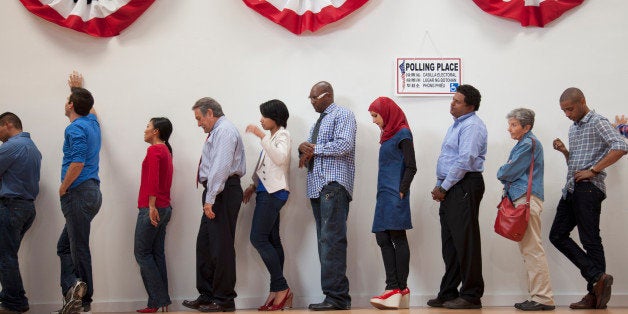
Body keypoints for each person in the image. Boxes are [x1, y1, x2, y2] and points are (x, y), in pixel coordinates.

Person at [550, 88, 628, 310]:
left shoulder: (597, 121)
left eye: (570, 109)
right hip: (572, 188)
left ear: (582, 102)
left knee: (590, 240)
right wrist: (566, 152)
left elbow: (622, 146)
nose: (567, 114)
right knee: (557, 235)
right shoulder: (573, 128)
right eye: (564, 110)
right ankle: (597, 279)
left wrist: (593, 170)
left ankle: (594, 294)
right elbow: (575, 162)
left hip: (589, 188)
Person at [183, 97, 246, 313]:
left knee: (222, 247)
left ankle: (224, 300)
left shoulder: (225, 131)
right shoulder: (218, 131)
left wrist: (210, 199)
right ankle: (207, 294)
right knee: (206, 245)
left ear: (210, 113)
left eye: (199, 118)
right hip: (217, 191)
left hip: (222, 192)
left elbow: (220, 166)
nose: (198, 123)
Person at [298, 81, 356, 311]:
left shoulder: (343, 114)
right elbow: (314, 149)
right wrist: (303, 151)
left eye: (314, 97)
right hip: (317, 187)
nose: (311, 101)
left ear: (328, 95)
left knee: (332, 241)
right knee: (325, 241)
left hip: (334, 185)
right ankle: (333, 295)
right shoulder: (316, 123)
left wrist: (314, 149)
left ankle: (338, 298)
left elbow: (344, 144)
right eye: (310, 97)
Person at [428, 84, 487, 310]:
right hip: (451, 185)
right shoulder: (457, 125)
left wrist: (444, 186)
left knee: (466, 242)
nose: (452, 103)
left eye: (457, 101)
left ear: (470, 106)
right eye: (452, 99)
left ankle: (471, 295)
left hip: (464, 184)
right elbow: (447, 159)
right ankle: (448, 292)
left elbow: (465, 160)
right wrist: (439, 185)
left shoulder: (472, 125)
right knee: (450, 244)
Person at [496, 108, 555, 311]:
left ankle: (543, 298)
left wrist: (503, 170)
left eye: (514, 125)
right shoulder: (525, 143)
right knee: (529, 250)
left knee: (532, 249)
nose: (509, 129)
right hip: (522, 199)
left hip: (526, 200)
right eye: (510, 124)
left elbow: (506, 171)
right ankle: (538, 296)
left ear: (526, 127)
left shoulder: (529, 144)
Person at [57, 71, 103, 314]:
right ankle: (74, 290)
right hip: (92, 193)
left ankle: (84, 300)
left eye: (68, 101)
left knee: (78, 247)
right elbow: (92, 110)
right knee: (64, 246)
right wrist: (78, 89)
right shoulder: (91, 122)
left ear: (71, 106)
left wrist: (64, 187)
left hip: (78, 193)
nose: (65, 104)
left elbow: (77, 163)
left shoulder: (75, 129)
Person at [366, 97, 416, 310]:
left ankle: (396, 288)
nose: (374, 121)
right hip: (383, 193)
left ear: (387, 113)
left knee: (397, 236)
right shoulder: (387, 135)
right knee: (382, 236)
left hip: (396, 193)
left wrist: (402, 190)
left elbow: (411, 166)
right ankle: (397, 289)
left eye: (375, 116)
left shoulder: (403, 133)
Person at [242, 99, 292, 311]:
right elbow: (265, 166)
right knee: (272, 239)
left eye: (264, 116)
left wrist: (261, 135)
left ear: (275, 117)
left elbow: (280, 158)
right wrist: (253, 185)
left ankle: (282, 288)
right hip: (265, 192)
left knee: (257, 238)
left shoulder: (282, 135)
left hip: (274, 193)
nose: (261, 120)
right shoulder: (272, 137)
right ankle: (276, 290)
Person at [0, 112, 41, 314]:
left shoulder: (11, 146)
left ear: (8, 124)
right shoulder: (33, 148)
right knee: (8, 255)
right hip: (27, 209)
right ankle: (13, 298)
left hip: (11, 207)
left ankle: (14, 302)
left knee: (5, 256)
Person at [134, 117, 174, 313]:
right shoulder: (165, 150)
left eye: (147, 126)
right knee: (156, 254)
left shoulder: (154, 150)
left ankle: (159, 300)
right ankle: (159, 302)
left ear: (156, 131)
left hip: (153, 208)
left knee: (141, 253)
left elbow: (153, 180)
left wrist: (150, 206)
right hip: (165, 207)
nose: (145, 130)